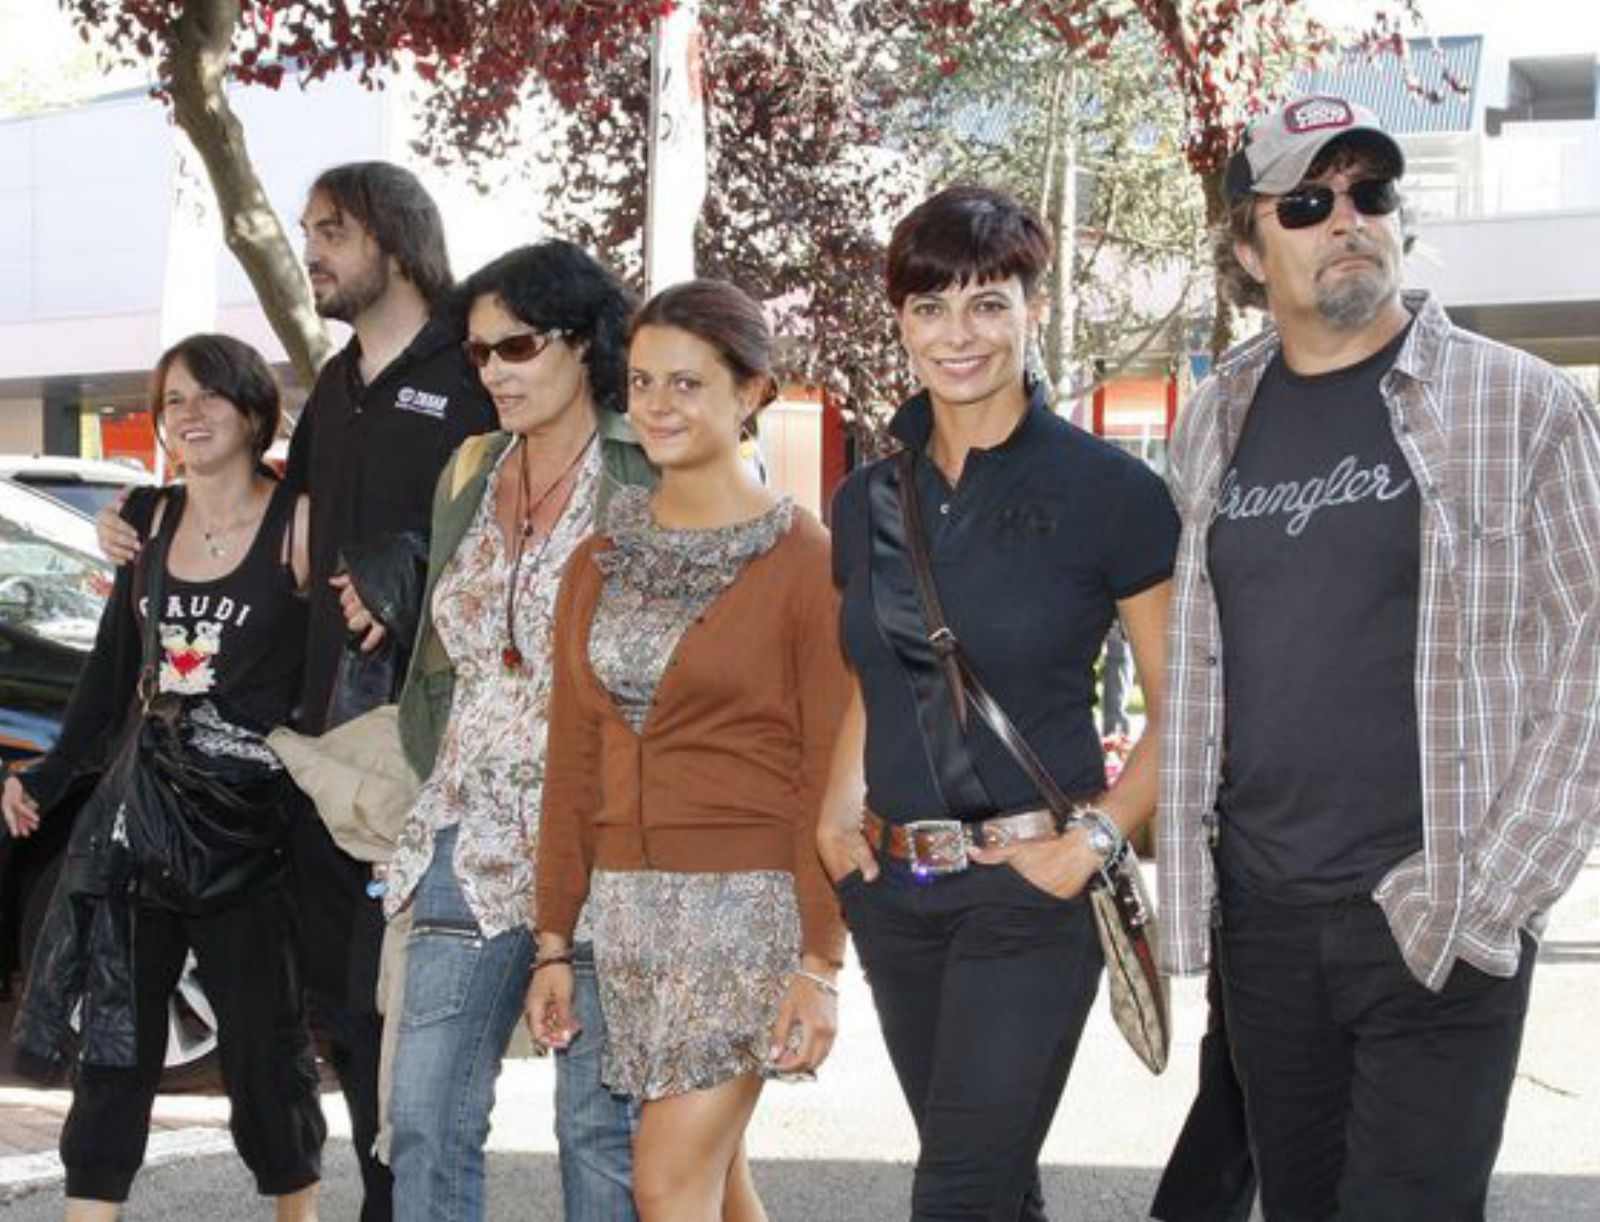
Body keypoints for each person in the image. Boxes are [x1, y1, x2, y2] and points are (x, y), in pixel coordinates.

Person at [1159, 95, 1600, 1220]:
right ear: (1249, 253)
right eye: (1305, 203)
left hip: (1432, 907)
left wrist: (1489, 895)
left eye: (1370, 193)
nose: (1346, 219)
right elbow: (1200, 670)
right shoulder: (1213, 419)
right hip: (1263, 919)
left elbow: (1589, 659)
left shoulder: (1523, 405)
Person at [96, 162, 497, 1222]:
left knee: (420, 1024)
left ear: (396, 241)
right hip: (331, 763)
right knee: (348, 1015)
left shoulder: (468, 372)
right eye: (306, 230)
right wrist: (141, 511)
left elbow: (512, 522)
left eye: (332, 230)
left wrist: (407, 566)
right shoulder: (333, 385)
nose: (310, 249)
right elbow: (265, 510)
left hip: (436, 758)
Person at [815, 185, 1177, 1221]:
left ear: (1034, 310)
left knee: (957, 1194)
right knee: (987, 1179)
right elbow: (874, 672)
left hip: (1030, 889)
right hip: (895, 891)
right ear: (900, 321)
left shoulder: (1109, 490)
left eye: (987, 302)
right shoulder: (866, 499)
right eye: (930, 307)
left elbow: (1190, 700)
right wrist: (837, 814)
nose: (957, 333)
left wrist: (1096, 840)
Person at [528, 279, 849, 1221]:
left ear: (751, 392)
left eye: (687, 383)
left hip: (747, 915)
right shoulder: (600, 559)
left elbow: (827, 772)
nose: (657, 405)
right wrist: (555, 942)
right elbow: (573, 757)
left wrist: (819, 962)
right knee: (717, 1186)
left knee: (666, 1183)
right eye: (640, 382)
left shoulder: (808, 560)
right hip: (628, 919)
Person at [5, 334, 325, 1220]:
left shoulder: (301, 519)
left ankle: (295, 1209)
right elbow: (112, 673)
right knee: (114, 1044)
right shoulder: (146, 521)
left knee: (265, 1055)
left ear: (254, 409)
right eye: (173, 399)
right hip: (141, 825)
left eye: (209, 395)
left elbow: (338, 669)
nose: (189, 414)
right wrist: (51, 772)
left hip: (254, 832)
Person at [384, 240, 653, 1222]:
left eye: (518, 345)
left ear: (584, 343)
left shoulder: (645, 466)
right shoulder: (469, 468)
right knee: (423, 1117)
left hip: (607, 840)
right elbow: (447, 653)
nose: (494, 368)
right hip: (467, 834)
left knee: (598, 1134)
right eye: (479, 353)